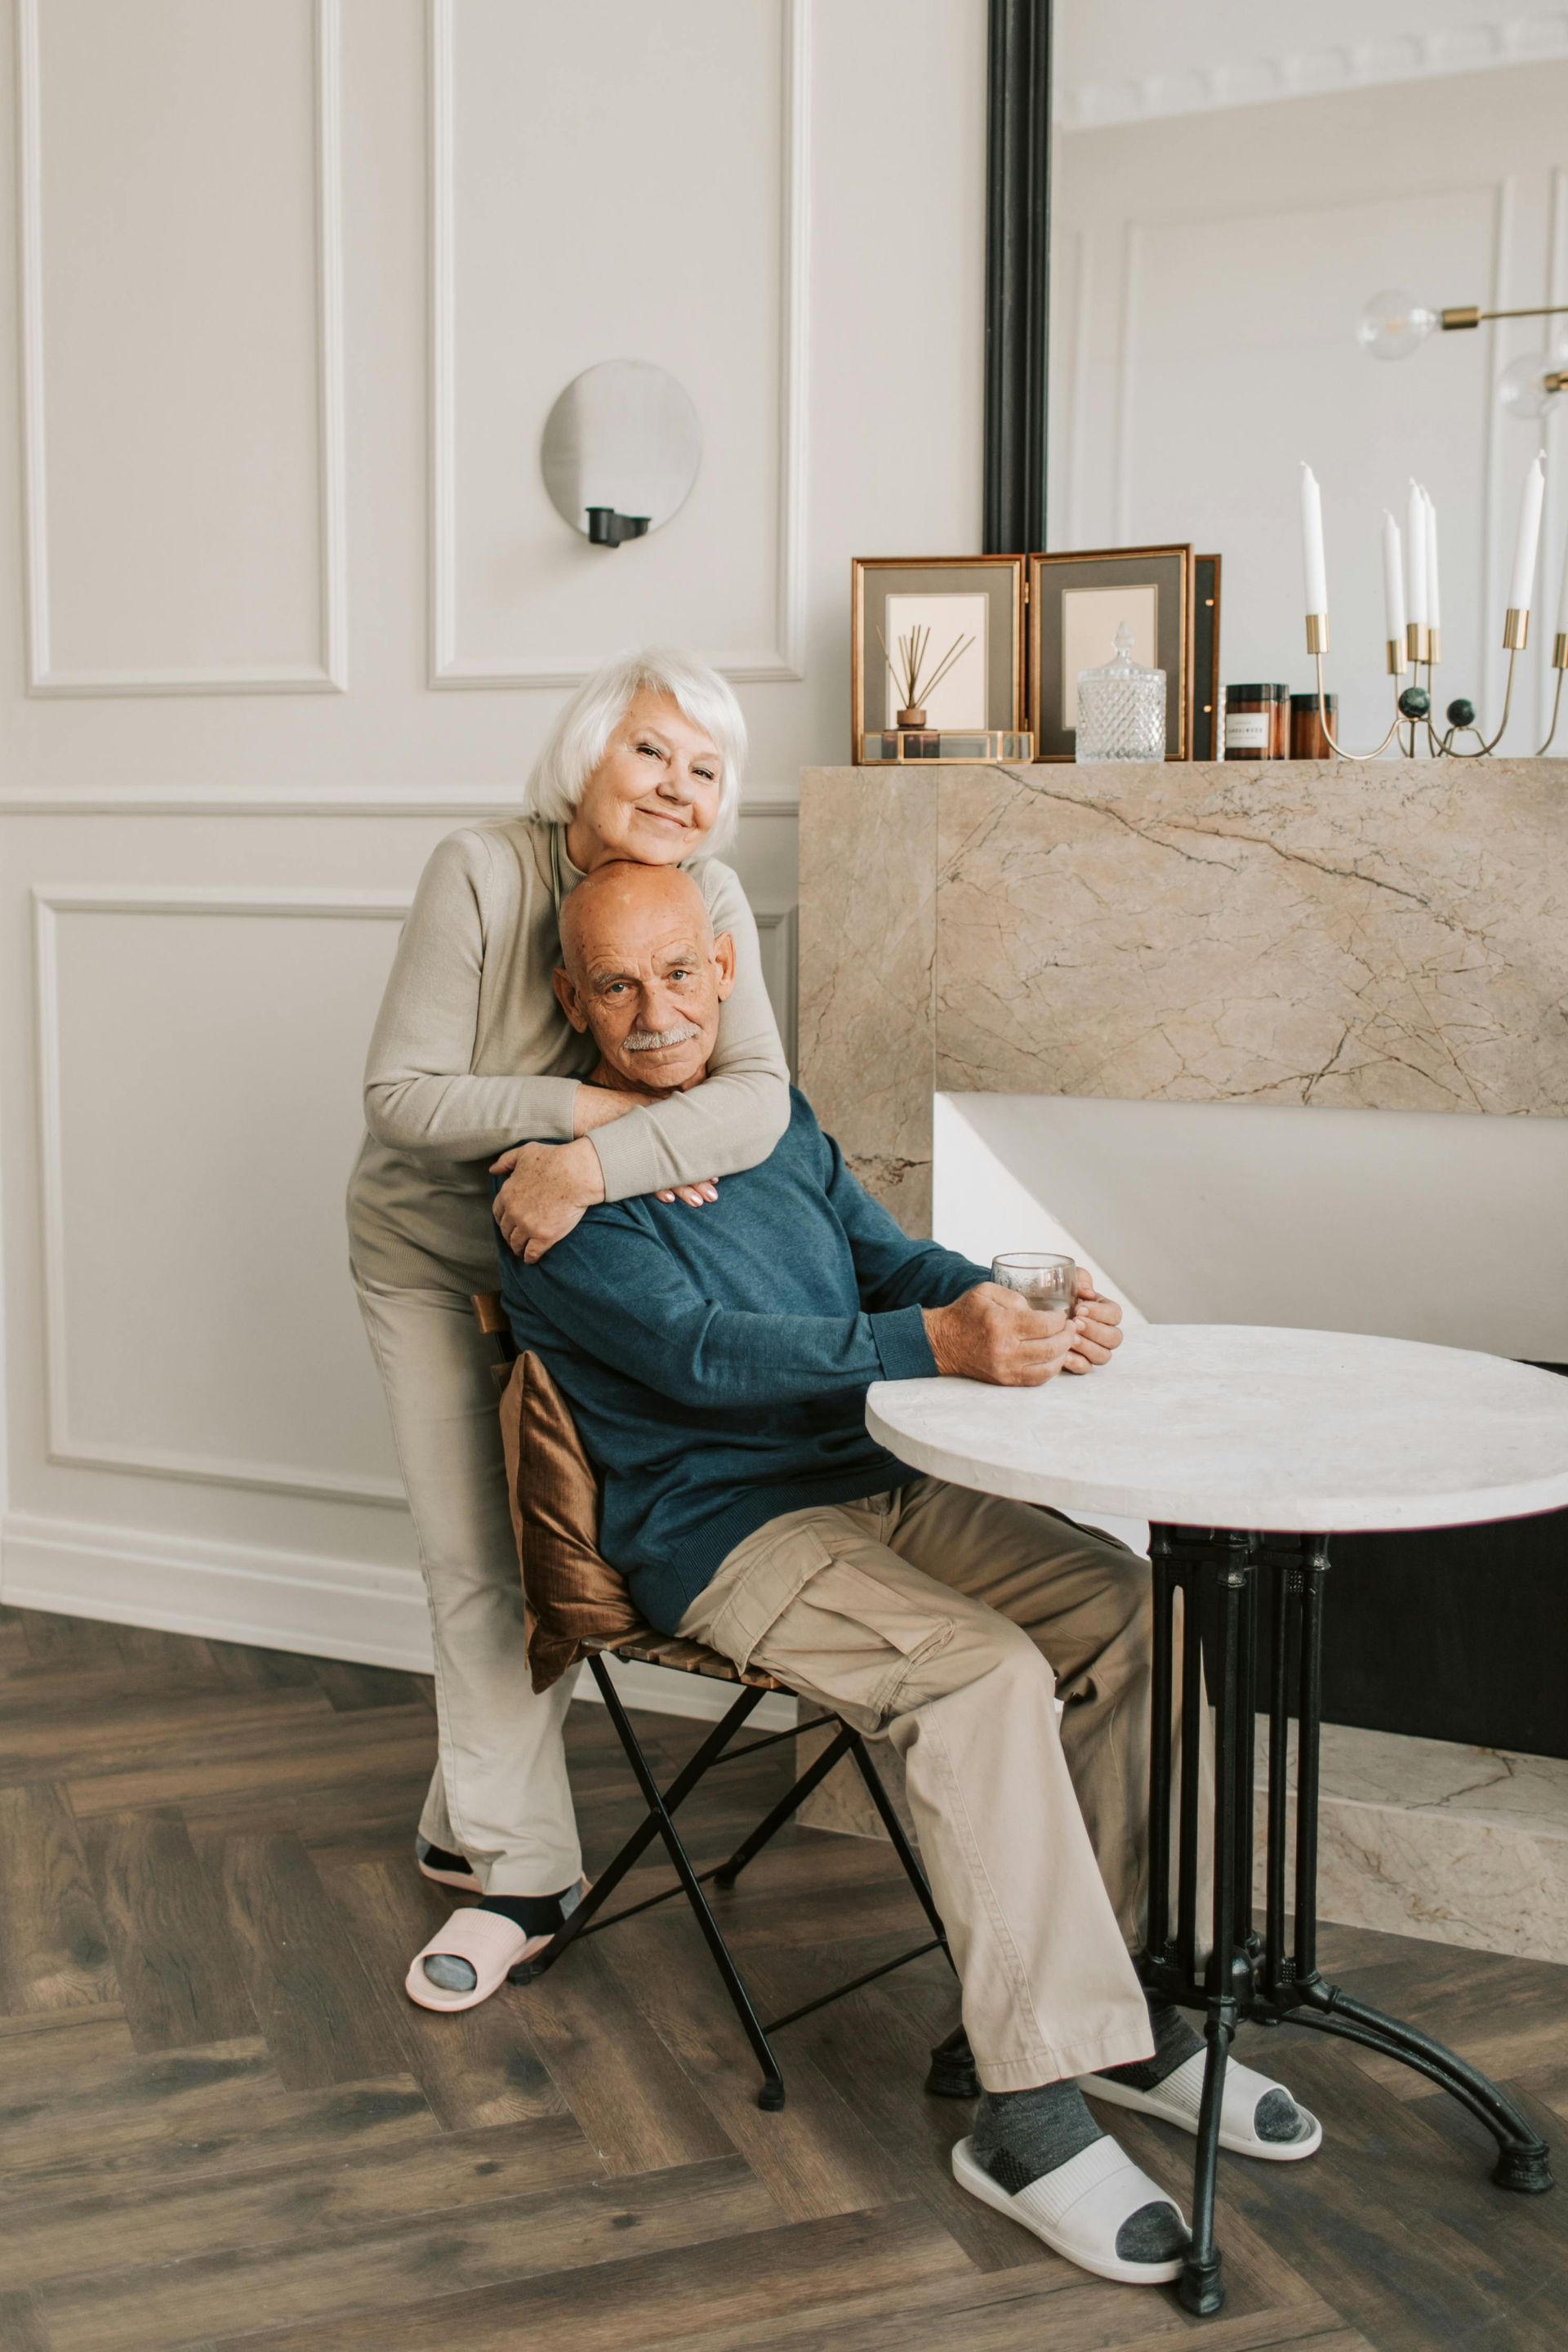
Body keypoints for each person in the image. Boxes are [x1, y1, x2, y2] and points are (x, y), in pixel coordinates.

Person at [492, 858, 1321, 2291]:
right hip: (726, 1534)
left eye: (678, 973)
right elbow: (705, 1354)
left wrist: (998, 1301)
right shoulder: (546, 1194)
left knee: (1125, 1611)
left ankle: (1096, 2009)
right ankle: (1025, 2113)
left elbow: (882, 1261)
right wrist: (939, 1350)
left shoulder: (766, 1117)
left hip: (876, 1485)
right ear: (570, 997)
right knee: (982, 1675)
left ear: (725, 970)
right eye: (614, 984)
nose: (651, 1012)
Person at [345, 649, 790, 2006]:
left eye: (707, 770)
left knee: (558, 1539)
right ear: (585, 760)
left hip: (588, 1264)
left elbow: (760, 1098)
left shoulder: (709, 898)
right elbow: (404, 1099)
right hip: (430, 1256)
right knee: (478, 1553)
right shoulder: (480, 871)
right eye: (652, 752)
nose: (678, 787)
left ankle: (458, 1814)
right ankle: (522, 1877)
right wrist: (595, 1117)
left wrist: (593, 1174)